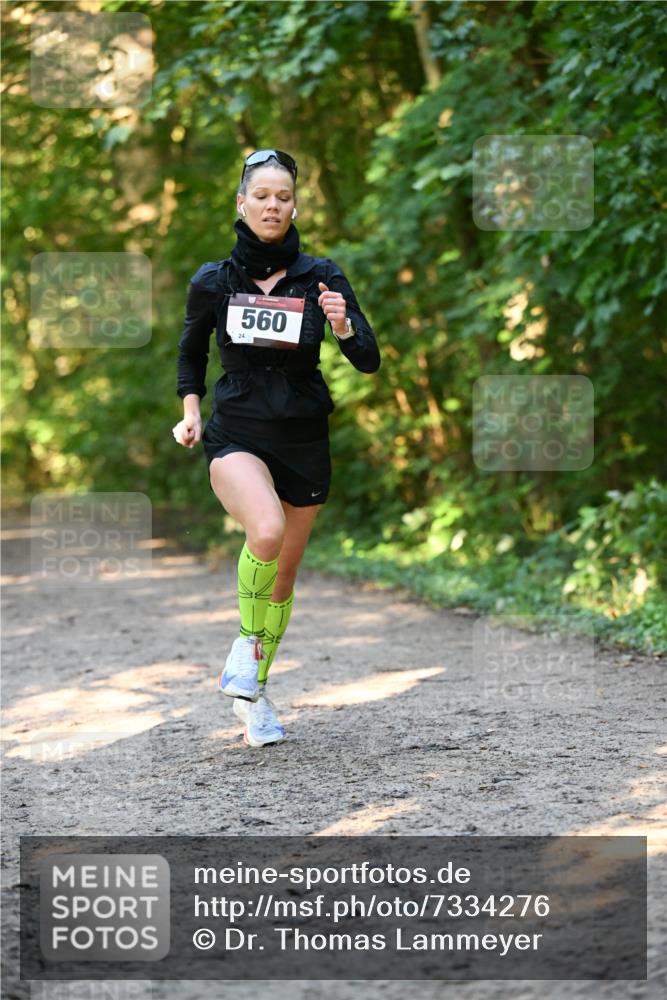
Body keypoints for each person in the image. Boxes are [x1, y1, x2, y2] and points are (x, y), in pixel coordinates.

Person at [173, 148, 380, 748]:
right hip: (236, 429)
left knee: (283, 577)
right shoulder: (214, 280)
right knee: (263, 530)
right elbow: (190, 353)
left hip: (303, 436)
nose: (272, 205)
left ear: (294, 206)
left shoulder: (322, 275)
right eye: (261, 195)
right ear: (242, 204)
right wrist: (190, 413)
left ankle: (255, 694)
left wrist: (343, 326)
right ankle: (244, 646)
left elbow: (367, 359)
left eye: (283, 197)